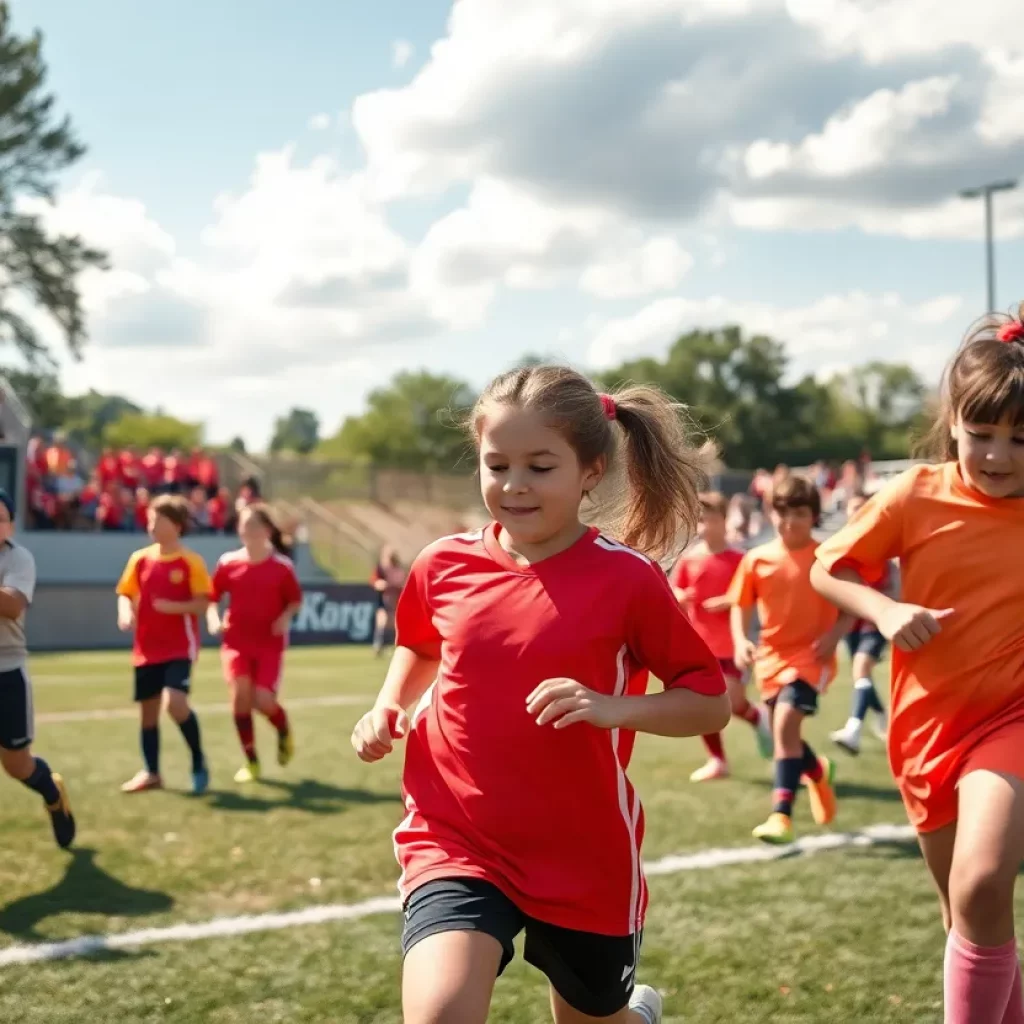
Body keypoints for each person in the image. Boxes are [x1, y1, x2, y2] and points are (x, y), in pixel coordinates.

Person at [351, 366, 730, 1024]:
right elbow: (418, 642)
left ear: (591, 470)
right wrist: (388, 702)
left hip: (583, 857)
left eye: (540, 466)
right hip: (456, 836)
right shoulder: (442, 564)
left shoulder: (628, 579)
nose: (514, 485)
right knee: (438, 1015)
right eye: (496, 465)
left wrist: (614, 709)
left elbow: (709, 699)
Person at [811, 310, 1024, 1024]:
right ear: (954, 424)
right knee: (968, 914)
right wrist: (885, 611)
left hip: (1012, 721)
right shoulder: (917, 494)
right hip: (927, 728)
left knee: (985, 879)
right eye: (981, 435)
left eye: (1021, 440)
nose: (998, 455)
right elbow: (827, 568)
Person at [727, 475, 848, 845]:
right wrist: (740, 641)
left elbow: (851, 604)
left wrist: (835, 635)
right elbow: (740, 604)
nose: (789, 521)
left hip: (812, 659)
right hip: (770, 661)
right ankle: (817, 771)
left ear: (813, 516)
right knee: (787, 732)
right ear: (770, 513)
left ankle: (781, 816)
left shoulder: (828, 557)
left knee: (785, 725)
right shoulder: (757, 559)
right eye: (781, 512)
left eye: (798, 513)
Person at [670, 491, 772, 781]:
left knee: (732, 703)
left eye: (711, 519)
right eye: (701, 520)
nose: (705, 526)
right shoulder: (690, 560)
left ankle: (757, 717)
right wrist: (681, 595)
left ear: (725, 521)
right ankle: (717, 760)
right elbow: (673, 591)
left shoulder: (740, 559)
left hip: (733, 646)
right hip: (701, 646)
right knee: (704, 705)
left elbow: (753, 595)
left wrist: (729, 600)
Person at [116, 494, 212, 795]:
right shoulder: (139, 558)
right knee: (148, 712)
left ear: (177, 525)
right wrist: (125, 611)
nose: (151, 524)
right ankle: (152, 772)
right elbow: (125, 592)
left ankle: (198, 762)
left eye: (158, 519)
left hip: (179, 648)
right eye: (149, 519)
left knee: (175, 702)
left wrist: (169, 606)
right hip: (146, 649)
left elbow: (201, 603)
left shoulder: (190, 561)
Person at [0, 489, 75, 848]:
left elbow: (12, 606)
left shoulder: (19, 559)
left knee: (16, 765)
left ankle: (51, 792)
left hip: (7, 672)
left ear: (10, 525)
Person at [207, 503, 302, 784]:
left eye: (253, 525)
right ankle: (251, 761)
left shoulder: (282, 567)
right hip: (236, 641)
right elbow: (212, 597)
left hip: (269, 643)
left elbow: (295, 601)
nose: (247, 530)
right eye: (243, 525)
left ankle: (283, 729)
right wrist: (213, 619)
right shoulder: (228, 562)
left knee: (263, 700)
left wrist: (285, 617)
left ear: (267, 531)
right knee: (240, 698)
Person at [828, 493, 890, 756]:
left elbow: (888, 589)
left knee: (861, 668)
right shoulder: (840, 547)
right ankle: (882, 715)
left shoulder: (879, 548)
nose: (856, 514)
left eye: (861, 508)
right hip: (850, 626)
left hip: (873, 623)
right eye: (853, 509)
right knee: (861, 675)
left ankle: (853, 729)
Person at [371, 546, 407, 658]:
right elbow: (375, 581)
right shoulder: (381, 568)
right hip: (384, 599)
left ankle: (392, 645)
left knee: (393, 624)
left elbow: (402, 583)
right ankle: (378, 646)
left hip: (396, 599)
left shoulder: (398, 570)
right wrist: (380, 584)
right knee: (383, 621)